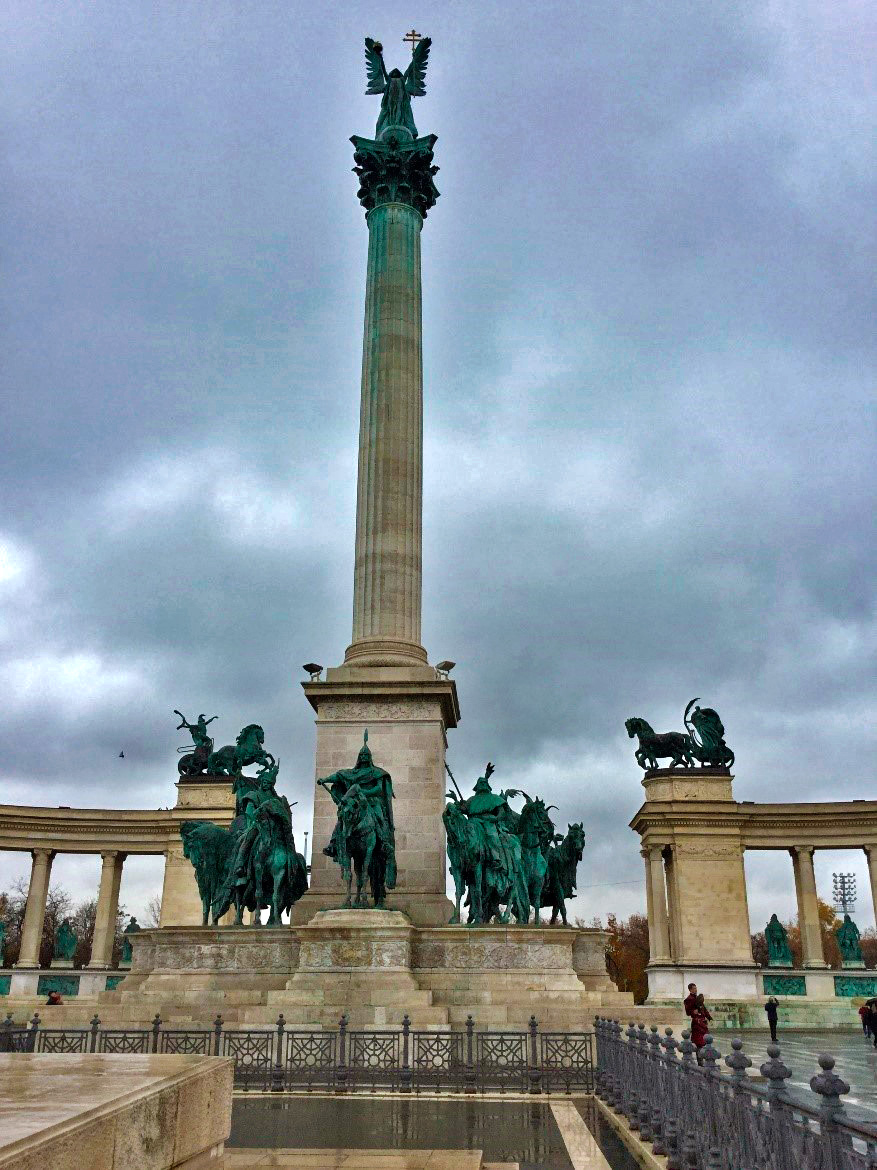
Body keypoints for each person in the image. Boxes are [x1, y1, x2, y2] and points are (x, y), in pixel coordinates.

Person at [689, 993, 712, 1064]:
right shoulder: (696, 1007)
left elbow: (706, 1012)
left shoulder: (702, 1006)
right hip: (699, 1029)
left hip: (701, 1029)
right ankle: (701, 1062)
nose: (703, 1000)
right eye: (702, 999)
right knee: (700, 1046)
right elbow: (695, 1017)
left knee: (703, 1045)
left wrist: (709, 1018)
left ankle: (703, 1061)